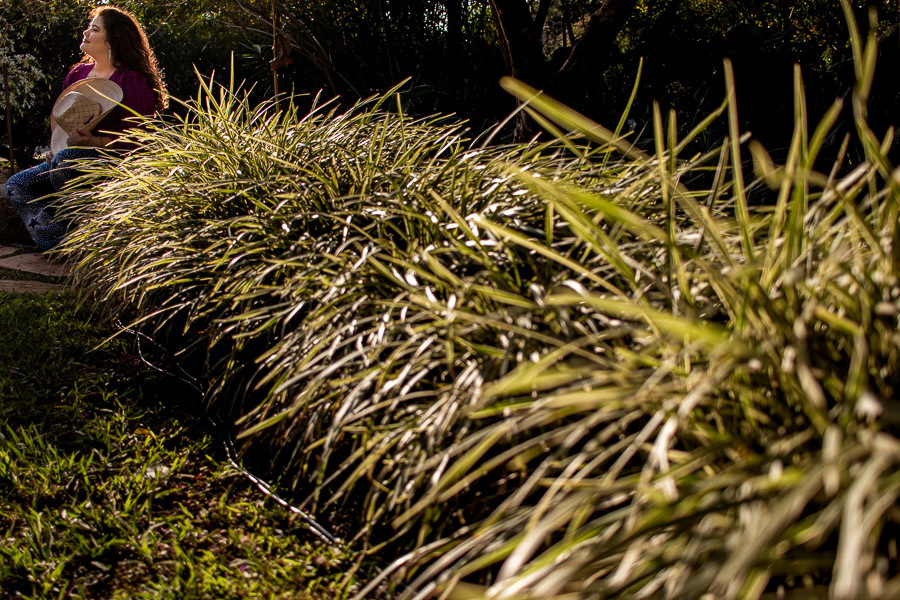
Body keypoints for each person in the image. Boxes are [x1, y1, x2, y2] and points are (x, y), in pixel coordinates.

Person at [5, 5, 167, 251]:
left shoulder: (131, 79)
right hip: (67, 158)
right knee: (18, 184)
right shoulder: (77, 75)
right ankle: (57, 242)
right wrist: (54, 150)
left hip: (112, 163)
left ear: (113, 39)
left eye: (94, 29)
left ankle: (82, 241)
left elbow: (140, 139)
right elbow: (63, 125)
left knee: (66, 161)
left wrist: (93, 142)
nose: (85, 33)